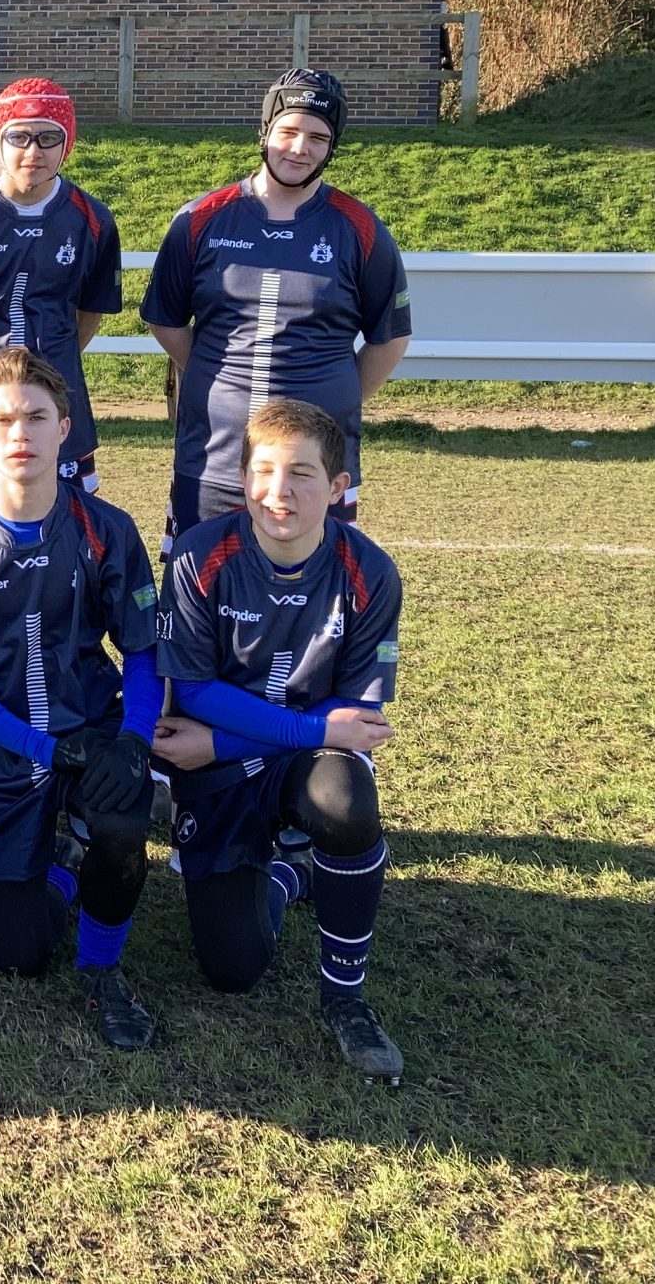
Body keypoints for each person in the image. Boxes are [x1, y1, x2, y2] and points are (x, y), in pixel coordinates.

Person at [0, 348, 164, 1051]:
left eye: (37, 417)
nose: (21, 433)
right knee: (20, 957)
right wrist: (43, 748)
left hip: (94, 730)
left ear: (65, 428)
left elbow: (142, 649)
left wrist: (135, 740)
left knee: (120, 826)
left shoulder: (107, 530)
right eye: (3, 419)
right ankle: (58, 869)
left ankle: (103, 971)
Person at [152, 397, 408, 1081]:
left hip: (281, 756)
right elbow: (197, 689)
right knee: (232, 970)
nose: (279, 491)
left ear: (338, 487)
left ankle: (346, 1000)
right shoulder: (201, 554)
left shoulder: (370, 572)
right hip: (223, 769)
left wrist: (228, 743)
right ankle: (290, 874)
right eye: (264, 471)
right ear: (242, 481)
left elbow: (357, 720)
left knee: (346, 799)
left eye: (301, 473)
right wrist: (306, 729)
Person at [0, 77, 124, 823]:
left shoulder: (92, 219)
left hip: (56, 431)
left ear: (68, 144)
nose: (32, 151)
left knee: (65, 589)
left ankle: (73, 744)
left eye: (48, 137)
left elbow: (86, 317)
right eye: (19, 136)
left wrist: (47, 386)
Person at [139, 68, 413, 556]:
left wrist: (339, 394)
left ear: (333, 146)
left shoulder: (360, 229)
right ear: (266, 131)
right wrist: (214, 373)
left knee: (308, 598)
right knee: (196, 598)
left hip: (316, 465)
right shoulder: (200, 219)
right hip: (213, 457)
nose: (299, 148)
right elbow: (166, 319)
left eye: (317, 137)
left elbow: (389, 337)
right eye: (288, 131)